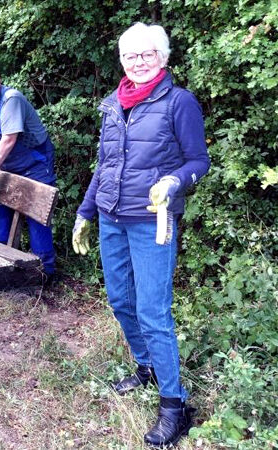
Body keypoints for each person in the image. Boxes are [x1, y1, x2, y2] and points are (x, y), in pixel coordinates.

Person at [71, 23, 210, 448]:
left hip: (153, 220)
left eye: (147, 54)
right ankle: (146, 366)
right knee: (120, 300)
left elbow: (198, 161)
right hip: (112, 216)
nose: (138, 62)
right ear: (122, 61)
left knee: (153, 311)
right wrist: (85, 212)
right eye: (130, 56)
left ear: (163, 58)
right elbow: (104, 164)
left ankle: (174, 405)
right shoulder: (114, 103)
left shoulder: (179, 102)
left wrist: (174, 181)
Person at [0, 61, 58, 280]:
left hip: (34, 164)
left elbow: (8, 140)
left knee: (38, 215)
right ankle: (4, 268)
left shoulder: (11, 99)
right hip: (4, 167)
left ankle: (44, 274)